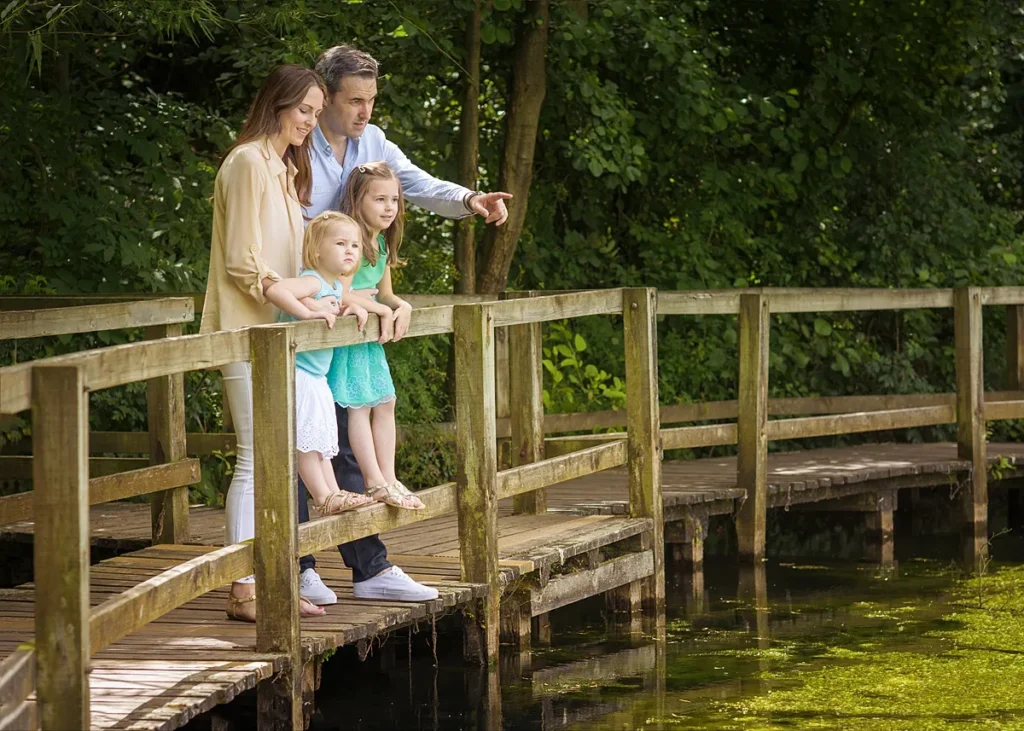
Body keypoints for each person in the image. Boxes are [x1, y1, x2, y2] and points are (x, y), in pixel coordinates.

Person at [296, 44, 512, 606]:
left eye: (371, 99)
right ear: (325, 97)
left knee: (342, 439)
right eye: (353, 100)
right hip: (304, 309)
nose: (364, 111)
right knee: (305, 439)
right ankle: (300, 567)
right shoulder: (297, 143)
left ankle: (370, 570)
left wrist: (470, 198)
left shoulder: (374, 143)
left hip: (350, 317)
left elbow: (416, 183)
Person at [200, 64, 333, 622]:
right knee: (256, 459)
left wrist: (328, 296)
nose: (310, 121)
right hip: (245, 328)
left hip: (279, 334)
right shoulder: (247, 162)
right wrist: (299, 303)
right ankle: (243, 590)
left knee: (277, 459)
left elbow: (295, 262)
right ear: (276, 103)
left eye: (316, 113)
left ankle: (273, 580)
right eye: (303, 109)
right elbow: (241, 261)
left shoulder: (284, 169)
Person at [264, 211, 378, 516]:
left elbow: (339, 303)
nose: (350, 250)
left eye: (354, 245)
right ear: (316, 251)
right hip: (299, 372)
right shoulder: (312, 280)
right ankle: (322, 495)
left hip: (317, 376)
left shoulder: (334, 286)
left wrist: (354, 307)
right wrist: (308, 313)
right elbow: (276, 289)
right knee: (307, 441)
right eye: (340, 243)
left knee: (321, 440)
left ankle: (333, 492)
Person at [329, 162, 425, 510]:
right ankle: (374, 482)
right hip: (349, 336)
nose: (389, 208)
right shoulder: (349, 241)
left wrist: (401, 306)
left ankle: (390, 476)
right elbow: (338, 293)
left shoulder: (380, 243)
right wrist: (378, 310)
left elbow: (385, 294)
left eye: (394, 200)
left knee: (386, 403)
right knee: (360, 407)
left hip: (368, 339)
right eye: (379, 199)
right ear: (358, 200)